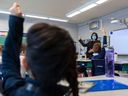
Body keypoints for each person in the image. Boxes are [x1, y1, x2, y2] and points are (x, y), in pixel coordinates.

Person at [1, 2, 78, 96]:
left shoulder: (16, 91)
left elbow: (9, 65)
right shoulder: (68, 92)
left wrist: (16, 20)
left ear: (25, 63)